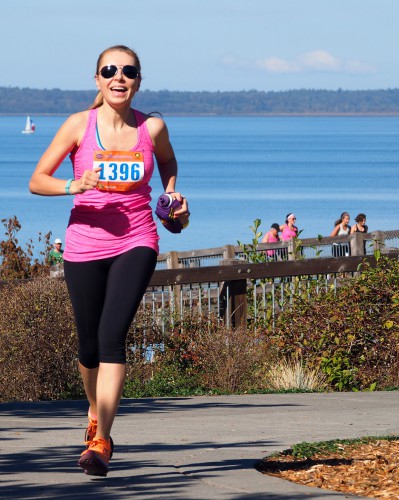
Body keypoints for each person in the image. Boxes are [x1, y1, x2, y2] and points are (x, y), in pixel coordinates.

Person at [29, 45, 190, 477]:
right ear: (97, 79)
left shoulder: (151, 127)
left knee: (112, 337)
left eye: (128, 71)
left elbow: (169, 161)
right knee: (88, 347)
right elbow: (37, 180)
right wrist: (73, 186)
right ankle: (96, 414)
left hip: (137, 239)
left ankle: (101, 441)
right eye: (110, 70)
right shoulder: (78, 126)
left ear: (138, 80)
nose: (119, 77)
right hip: (84, 243)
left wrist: (171, 193)